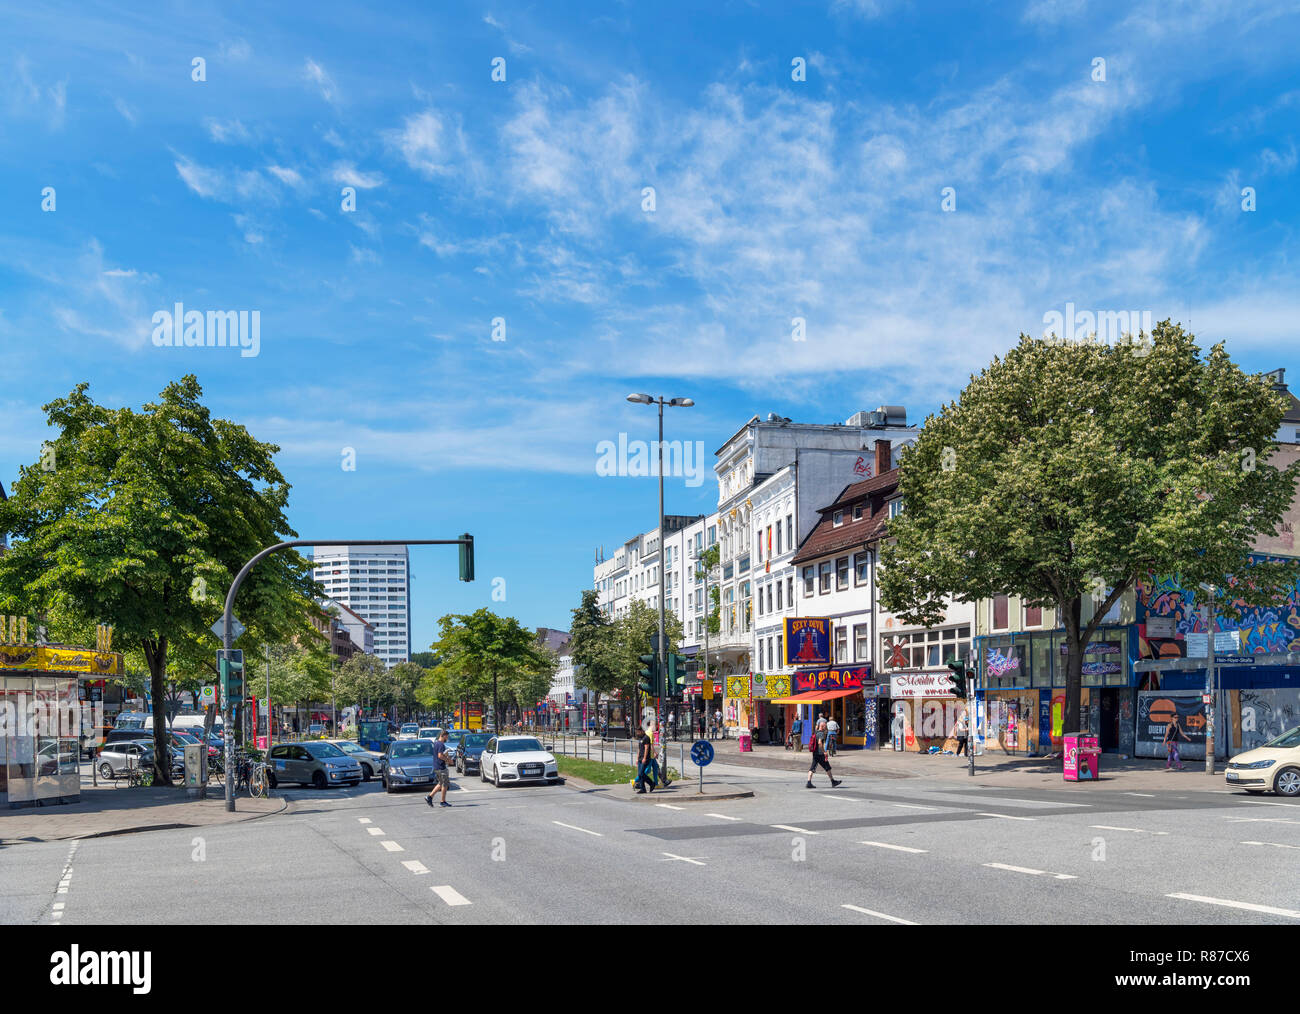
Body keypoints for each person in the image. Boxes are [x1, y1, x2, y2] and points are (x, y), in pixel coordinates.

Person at [806, 720, 841, 789]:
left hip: (815, 753)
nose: (826, 727)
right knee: (827, 767)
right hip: (820, 754)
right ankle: (833, 781)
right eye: (825, 726)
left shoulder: (815, 732)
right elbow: (819, 743)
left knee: (813, 767)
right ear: (822, 726)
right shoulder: (821, 733)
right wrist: (824, 752)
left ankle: (809, 782)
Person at [425, 730, 452, 808]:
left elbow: (440, 754)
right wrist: (448, 760)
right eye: (446, 736)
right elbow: (440, 755)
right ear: (443, 736)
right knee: (445, 784)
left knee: (441, 783)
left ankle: (429, 797)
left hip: (437, 766)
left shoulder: (436, 743)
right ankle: (442, 801)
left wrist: (446, 756)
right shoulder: (441, 744)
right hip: (441, 767)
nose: (447, 738)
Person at [634, 724, 656, 793]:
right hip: (640, 758)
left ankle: (651, 783)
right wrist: (637, 758)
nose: (637, 733)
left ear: (642, 731)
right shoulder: (640, 738)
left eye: (638, 732)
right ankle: (643, 789)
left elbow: (646, 748)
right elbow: (639, 749)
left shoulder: (646, 738)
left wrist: (644, 758)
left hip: (645, 758)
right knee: (640, 774)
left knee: (641, 773)